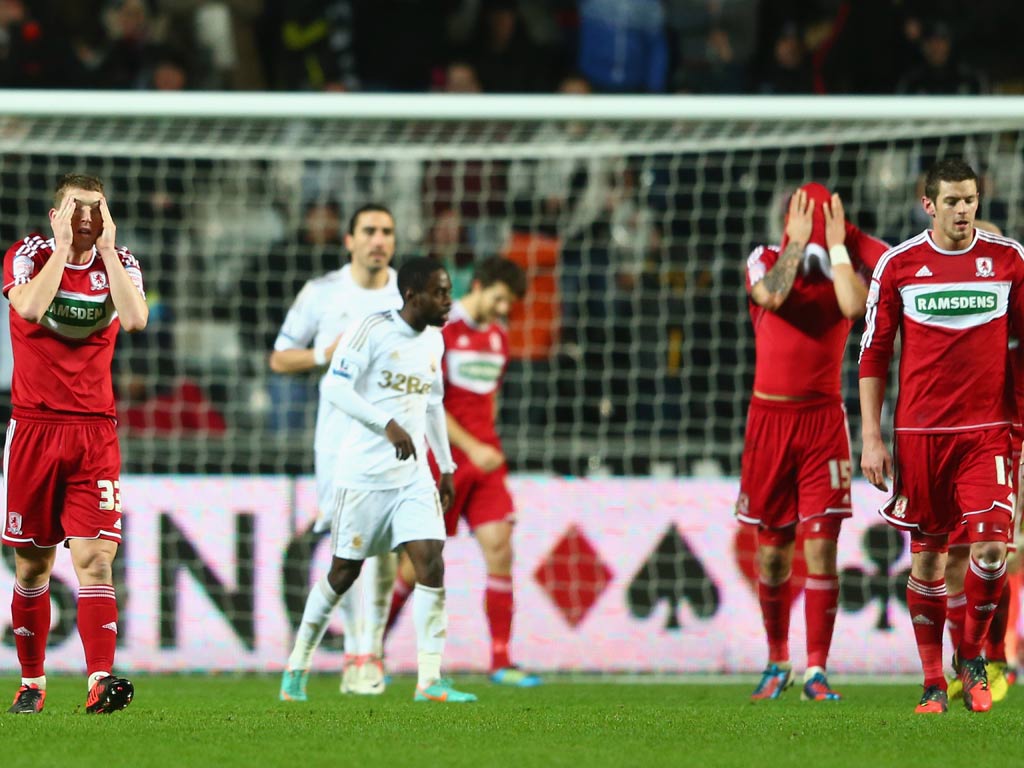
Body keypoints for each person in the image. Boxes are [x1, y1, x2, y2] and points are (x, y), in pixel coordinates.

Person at [860, 157, 1024, 714]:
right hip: (920, 434)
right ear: (927, 204)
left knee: (991, 548)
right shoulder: (899, 265)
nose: (963, 210)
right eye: (952, 201)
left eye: (970, 200)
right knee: (928, 562)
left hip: (987, 432)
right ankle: (933, 681)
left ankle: (972, 655)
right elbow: (873, 354)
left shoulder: (1008, 261)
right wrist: (871, 437)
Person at [3, 173, 149, 714]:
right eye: (75, 208)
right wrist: (63, 251)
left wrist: (107, 251)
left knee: (95, 559)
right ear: (55, 214)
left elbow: (135, 319)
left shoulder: (123, 262)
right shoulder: (27, 255)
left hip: (94, 431)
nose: (86, 217)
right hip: (35, 427)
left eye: (96, 207)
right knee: (32, 566)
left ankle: (99, 680)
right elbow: (29, 310)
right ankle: (33, 683)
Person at [737, 181, 888, 702]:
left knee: (822, 548)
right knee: (773, 555)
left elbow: (854, 307)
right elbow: (771, 294)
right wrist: (799, 243)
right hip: (769, 423)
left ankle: (816, 670)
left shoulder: (844, 271)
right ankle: (777, 659)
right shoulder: (766, 257)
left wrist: (843, 241)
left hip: (823, 423)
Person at [319, 256, 475, 703]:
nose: (449, 301)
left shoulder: (435, 342)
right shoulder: (372, 328)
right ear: (414, 296)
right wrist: (385, 423)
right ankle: (322, 657)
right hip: (363, 470)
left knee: (431, 560)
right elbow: (334, 388)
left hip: (412, 474)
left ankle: (429, 680)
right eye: (441, 292)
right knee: (347, 569)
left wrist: (445, 466)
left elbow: (433, 404)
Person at [385, 257, 539, 686]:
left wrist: (486, 445)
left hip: (485, 463)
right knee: (417, 566)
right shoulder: (441, 332)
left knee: (500, 548)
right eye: (500, 298)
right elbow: (429, 404)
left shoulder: (498, 337)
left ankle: (501, 661)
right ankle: (372, 649)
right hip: (442, 461)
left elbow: (486, 400)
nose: (504, 309)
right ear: (480, 286)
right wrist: (471, 446)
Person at [274, 204, 402, 700]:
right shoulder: (322, 293)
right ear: (349, 240)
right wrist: (325, 354)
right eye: (369, 231)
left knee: (388, 548)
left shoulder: (407, 293)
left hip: (393, 436)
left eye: (387, 232)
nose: (379, 240)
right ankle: (359, 655)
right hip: (338, 438)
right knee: (348, 544)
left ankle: (369, 649)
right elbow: (280, 356)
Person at [941, 219, 1017, 705]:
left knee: (995, 550)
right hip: (948, 442)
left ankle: (996, 655)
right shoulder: (950, 313)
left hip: (1005, 441)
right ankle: (965, 664)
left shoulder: (1013, 307)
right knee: (951, 559)